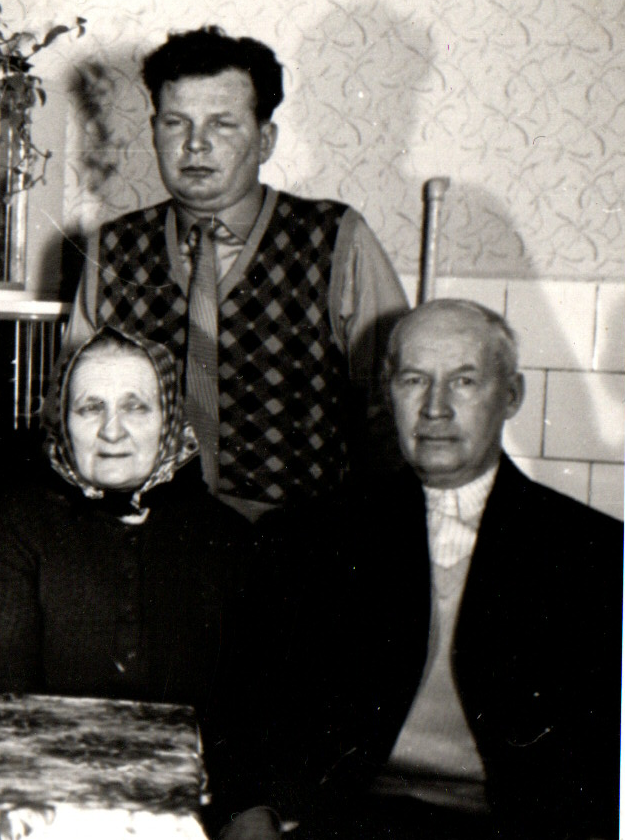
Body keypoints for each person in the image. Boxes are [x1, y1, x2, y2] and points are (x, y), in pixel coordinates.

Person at [228, 299, 621, 840]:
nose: (435, 408)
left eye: (464, 382)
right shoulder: (307, 538)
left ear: (511, 395)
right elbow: (242, 708)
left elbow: (603, 767)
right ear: (388, 393)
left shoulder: (595, 554)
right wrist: (246, 812)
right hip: (337, 824)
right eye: (414, 380)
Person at [67, 26, 408, 520]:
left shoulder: (337, 240)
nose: (195, 145)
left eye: (222, 125)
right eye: (176, 124)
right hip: (149, 536)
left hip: (296, 539)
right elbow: (74, 411)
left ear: (265, 140)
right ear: (154, 130)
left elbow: (393, 413)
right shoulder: (113, 248)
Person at [0, 323, 259, 831]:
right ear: (62, 420)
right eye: (90, 408)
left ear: (170, 419)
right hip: (49, 805)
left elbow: (251, 713)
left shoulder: (228, 538)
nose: (112, 431)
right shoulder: (17, 525)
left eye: (136, 407)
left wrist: (248, 808)